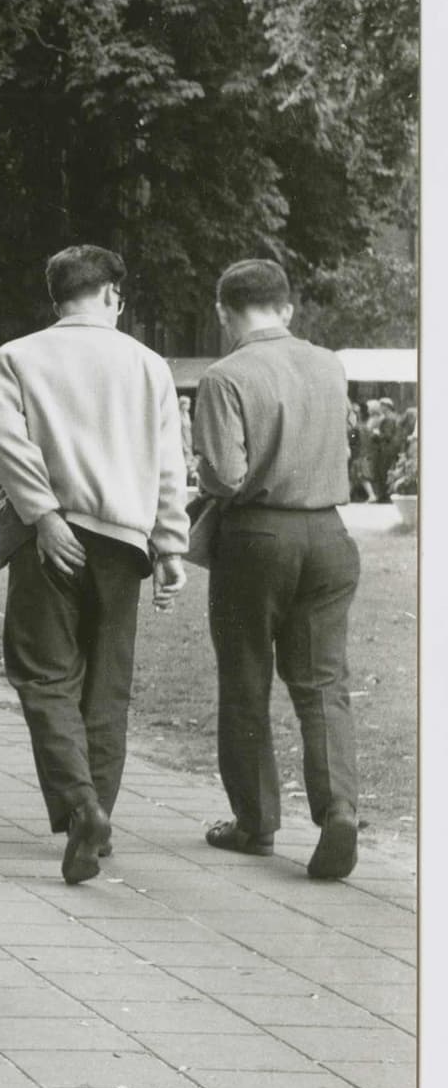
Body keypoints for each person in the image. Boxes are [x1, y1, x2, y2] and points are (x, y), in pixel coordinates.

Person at [0, 245, 190, 883]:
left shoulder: (17, 356)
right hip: (124, 539)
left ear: (56, 297)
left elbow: (5, 442)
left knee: (44, 676)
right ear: (111, 294)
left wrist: (43, 515)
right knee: (108, 686)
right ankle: (95, 819)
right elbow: (167, 461)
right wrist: (171, 545)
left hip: (52, 535)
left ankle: (81, 807)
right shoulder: (149, 364)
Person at [194, 259, 361, 881]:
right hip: (330, 533)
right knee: (322, 683)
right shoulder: (329, 364)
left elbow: (226, 475)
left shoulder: (225, 376)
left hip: (257, 537)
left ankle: (256, 823)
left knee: (244, 679)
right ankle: (338, 808)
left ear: (223, 311)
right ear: (287, 307)